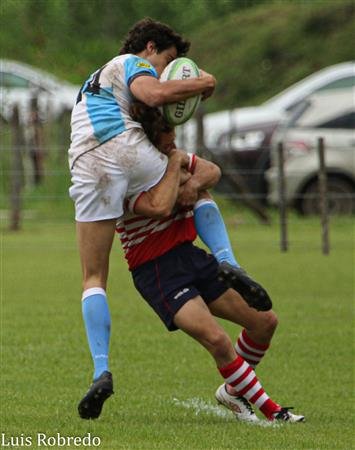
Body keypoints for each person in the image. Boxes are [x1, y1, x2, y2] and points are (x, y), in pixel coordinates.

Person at [68, 18, 216, 419]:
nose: (165, 68)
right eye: (167, 59)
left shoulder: (92, 82)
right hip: (125, 148)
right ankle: (228, 261)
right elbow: (153, 94)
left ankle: (101, 369)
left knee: (93, 277)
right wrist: (201, 84)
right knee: (197, 178)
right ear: (150, 47)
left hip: (85, 162)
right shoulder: (133, 63)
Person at [114, 138, 305, 423]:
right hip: (156, 270)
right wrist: (181, 174)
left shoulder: (171, 156)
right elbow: (160, 207)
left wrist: (189, 181)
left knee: (265, 322)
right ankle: (272, 411)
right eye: (165, 131)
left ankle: (232, 391)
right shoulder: (124, 170)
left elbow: (212, 172)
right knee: (217, 340)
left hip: (189, 254)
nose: (171, 138)